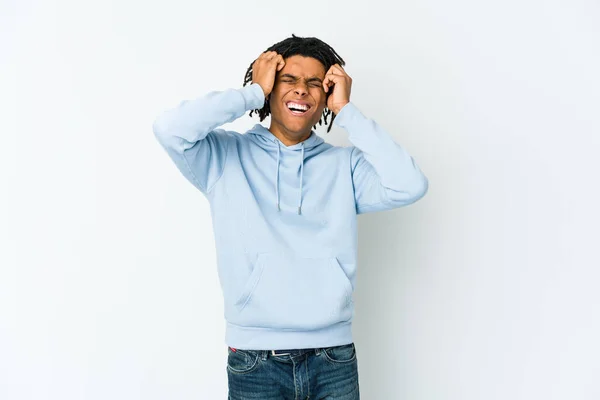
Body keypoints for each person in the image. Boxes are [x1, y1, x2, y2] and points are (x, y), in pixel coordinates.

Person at [153, 34, 428, 400]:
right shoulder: (222, 157)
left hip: (334, 358)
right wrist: (252, 92)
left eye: (314, 84)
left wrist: (347, 111)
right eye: (289, 80)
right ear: (270, 88)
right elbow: (169, 128)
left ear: (326, 97)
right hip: (255, 360)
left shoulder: (344, 166)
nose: (302, 91)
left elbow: (410, 184)